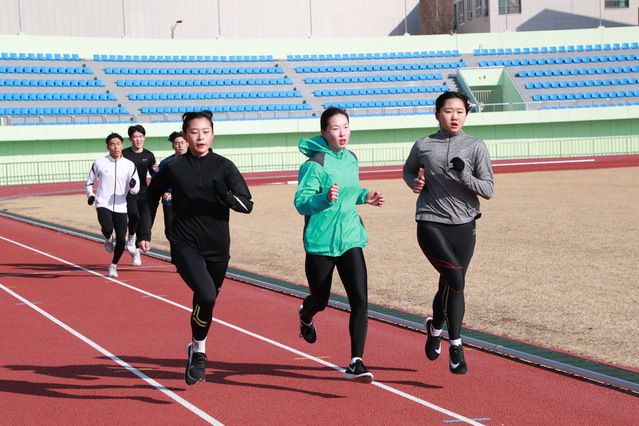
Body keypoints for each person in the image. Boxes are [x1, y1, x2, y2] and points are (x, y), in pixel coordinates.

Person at [139, 111, 253, 386]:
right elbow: (150, 198)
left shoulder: (224, 166)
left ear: (212, 134)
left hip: (217, 248)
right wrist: (144, 232)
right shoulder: (173, 167)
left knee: (205, 300)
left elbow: (246, 204)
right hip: (184, 243)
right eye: (193, 132)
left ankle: (193, 347)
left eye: (205, 131)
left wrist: (223, 194)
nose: (200, 137)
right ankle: (199, 351)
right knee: (206, 295)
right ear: (185, 136)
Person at [402, 91, 494, 374]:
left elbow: (488, 190)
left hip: (464, 225)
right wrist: (415, 184)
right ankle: (456, 345)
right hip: (430, 221)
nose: (454, 116)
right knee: (455, 277)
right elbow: (408, 171)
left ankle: (435, 327)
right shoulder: (424, 144)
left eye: (460, 111)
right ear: (437, 114)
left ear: (466, 114)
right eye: (448, 111)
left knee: (450, 282)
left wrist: (464, 174)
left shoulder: (476, 146)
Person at [294, 107, 385, 383]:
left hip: (350, 239)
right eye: (335, 128)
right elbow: (301, 203)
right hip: (320, 242)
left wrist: (365, 196)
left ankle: (356, 362)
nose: (342, 132)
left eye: (345, 126)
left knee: (360, 302)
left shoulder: (351, 159)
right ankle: (306, 314)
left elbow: (349, 191)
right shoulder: (315, 164)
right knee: (320, 300)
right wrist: (324, 199)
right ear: (324, 132)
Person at [85, 133, 140, 278]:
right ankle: (108, 237)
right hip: (103, 202)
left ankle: (113, 265)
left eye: (118, 144)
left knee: (121, 239)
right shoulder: (99, 163)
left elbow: (135, 190)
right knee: (108, 228)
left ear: (122, 145)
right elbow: (89, 183)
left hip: (121, 205)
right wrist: (91, 196)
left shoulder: (129, 165)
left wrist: (133, 185)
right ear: (108, 146)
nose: (116, 147)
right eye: (112, 144)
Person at [122, 124, 157, 266]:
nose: (138, 140)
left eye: (140, 137)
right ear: (130, 139)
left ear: (144, 138)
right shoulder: (124, 154)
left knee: (143, 220)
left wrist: (157, 170)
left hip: (144, 192)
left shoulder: (148, 155)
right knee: (134, 215)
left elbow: (154, 173)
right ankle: (131, 237)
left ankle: (136, 251)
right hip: (128, 192)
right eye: (135, 137)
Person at [156, 131, 188, 241]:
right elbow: (158, 181)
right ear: (173, 146)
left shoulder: (195, 160)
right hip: (170, 202)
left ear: (187, 143)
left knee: (188, 230)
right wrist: (164, 192)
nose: (180, 146)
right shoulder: (166, 163)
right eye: (177, 143)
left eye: (183, 142)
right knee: (170, 231)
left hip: (189, 202)